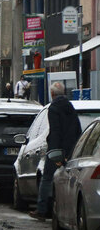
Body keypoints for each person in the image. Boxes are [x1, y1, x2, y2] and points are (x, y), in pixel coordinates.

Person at [29, 82, 82, 221]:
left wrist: (55, 151)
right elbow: (77, 128)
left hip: (57, 150)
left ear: (52, 94)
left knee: (47, 178)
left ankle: (42, 210)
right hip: (72, 149)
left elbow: (56, 130)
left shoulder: (54, 108)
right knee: (67, 180)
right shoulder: (70, 106)